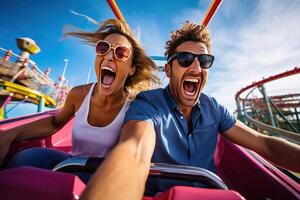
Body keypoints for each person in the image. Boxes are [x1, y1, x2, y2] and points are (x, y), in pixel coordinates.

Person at [80, 21, 300, 199]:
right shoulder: (149, 104)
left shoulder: (213, 108)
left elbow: (264, 143)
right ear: (168, 69)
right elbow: (134, 152)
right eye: (185, 60)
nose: (196, 68)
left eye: (204, 61)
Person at [0, 19, 160, 182]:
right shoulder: (79, 94)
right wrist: (10, 134)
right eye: (103, 48)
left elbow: (135, 152)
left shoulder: (134, 108)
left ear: (132, 68)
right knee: (24, 158)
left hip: (105, 176)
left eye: (121, 53)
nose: (109, 56)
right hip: (72, 164)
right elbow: (55, 123)